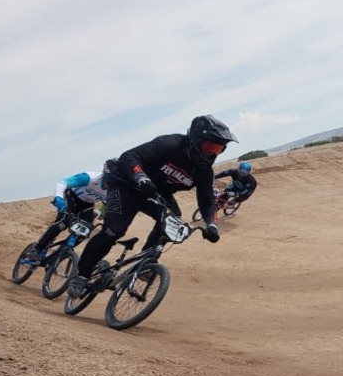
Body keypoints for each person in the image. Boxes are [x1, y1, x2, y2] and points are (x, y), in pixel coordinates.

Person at [67, 115, 238, 298]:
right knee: (113, 231)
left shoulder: (204, 171)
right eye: (210, 147)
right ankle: (82, 275)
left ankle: (146, 262)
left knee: (173, 222)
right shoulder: (170, 144)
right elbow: (129, 157)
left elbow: (207, 200)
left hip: (156, 193)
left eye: (219, 149)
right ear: (196, 139)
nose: (213, 153)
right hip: (126, 185)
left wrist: (211, 224)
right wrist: (140, 176)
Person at [27, 165, 112, 263]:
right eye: (107, 181)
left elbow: (110, 204)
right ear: (104, 175)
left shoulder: (115, 189)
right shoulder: (90, 178)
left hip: (87, 205)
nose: (108, 185)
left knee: (85, 231)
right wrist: (58, 198)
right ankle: (37, 248)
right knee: (64, 221)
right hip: (71, 197)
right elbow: (62, 183)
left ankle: (59, 255)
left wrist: (105, 214)